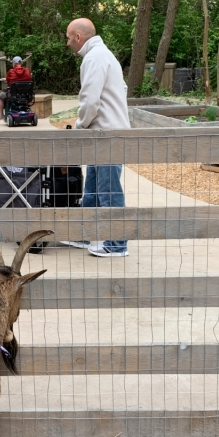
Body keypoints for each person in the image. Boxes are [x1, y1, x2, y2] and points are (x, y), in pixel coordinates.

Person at [62, 17, 129, 257]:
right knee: (92, 187)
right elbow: (122, 90)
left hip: (107, 135)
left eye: (69, 38)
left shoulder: (93, 58)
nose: (68, 43)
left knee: (108, 190)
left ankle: (117, 244)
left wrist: (80, 125)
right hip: (104, 132)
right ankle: (83, 234)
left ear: (78, 37)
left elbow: (90, 99)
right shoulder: (105, 55)